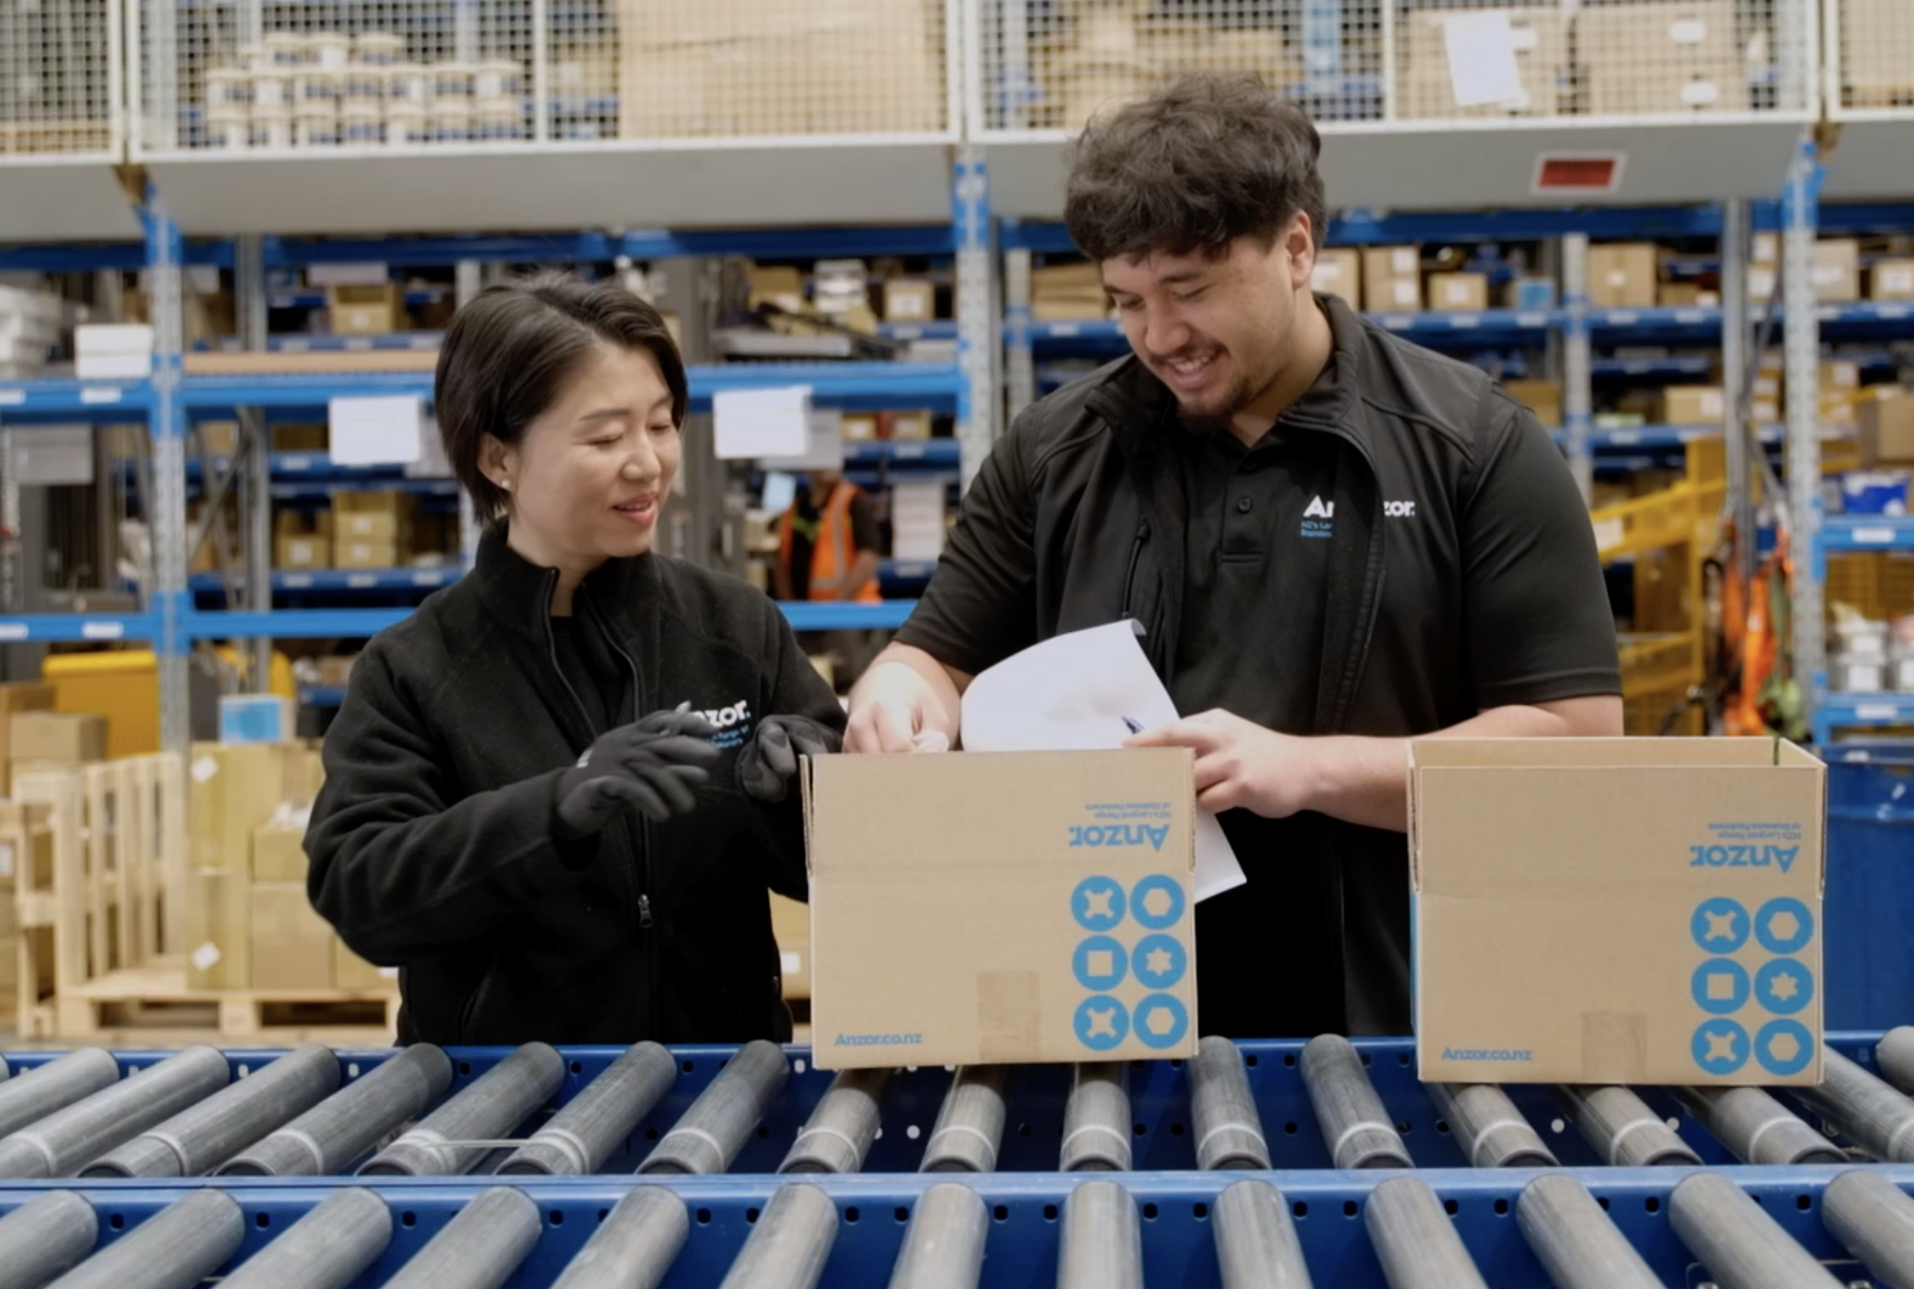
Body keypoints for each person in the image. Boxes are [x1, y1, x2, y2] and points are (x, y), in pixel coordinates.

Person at [844, 73, 1622, 1040]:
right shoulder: (1056, 452)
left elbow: (1579, 742)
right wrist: (898, 697)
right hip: (1098, 1024)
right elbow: (936, 654)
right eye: (1126, 301)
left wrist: (1305, 769)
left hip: (1400, 1030)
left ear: (1297, 248)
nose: (1160, 337)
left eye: (1190, 291)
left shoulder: (1472, 447)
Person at [306, 273, 844, 1047]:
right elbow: (364, 896)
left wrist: (802, 792)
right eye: (603, 437)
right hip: (500, 1120)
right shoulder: (417, 669)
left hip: (724, 1100)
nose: (647, 463)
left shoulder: (735, 628)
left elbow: (848, 871)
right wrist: (555, 810)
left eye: (660, 425)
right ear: (499, 457)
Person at [774, 467, 880, 604]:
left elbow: (867, 559)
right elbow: (780, 559)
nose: (823, 466)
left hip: (853, 612)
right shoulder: (794, 509)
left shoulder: (853, 501)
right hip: (806, 614)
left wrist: (837, 607)